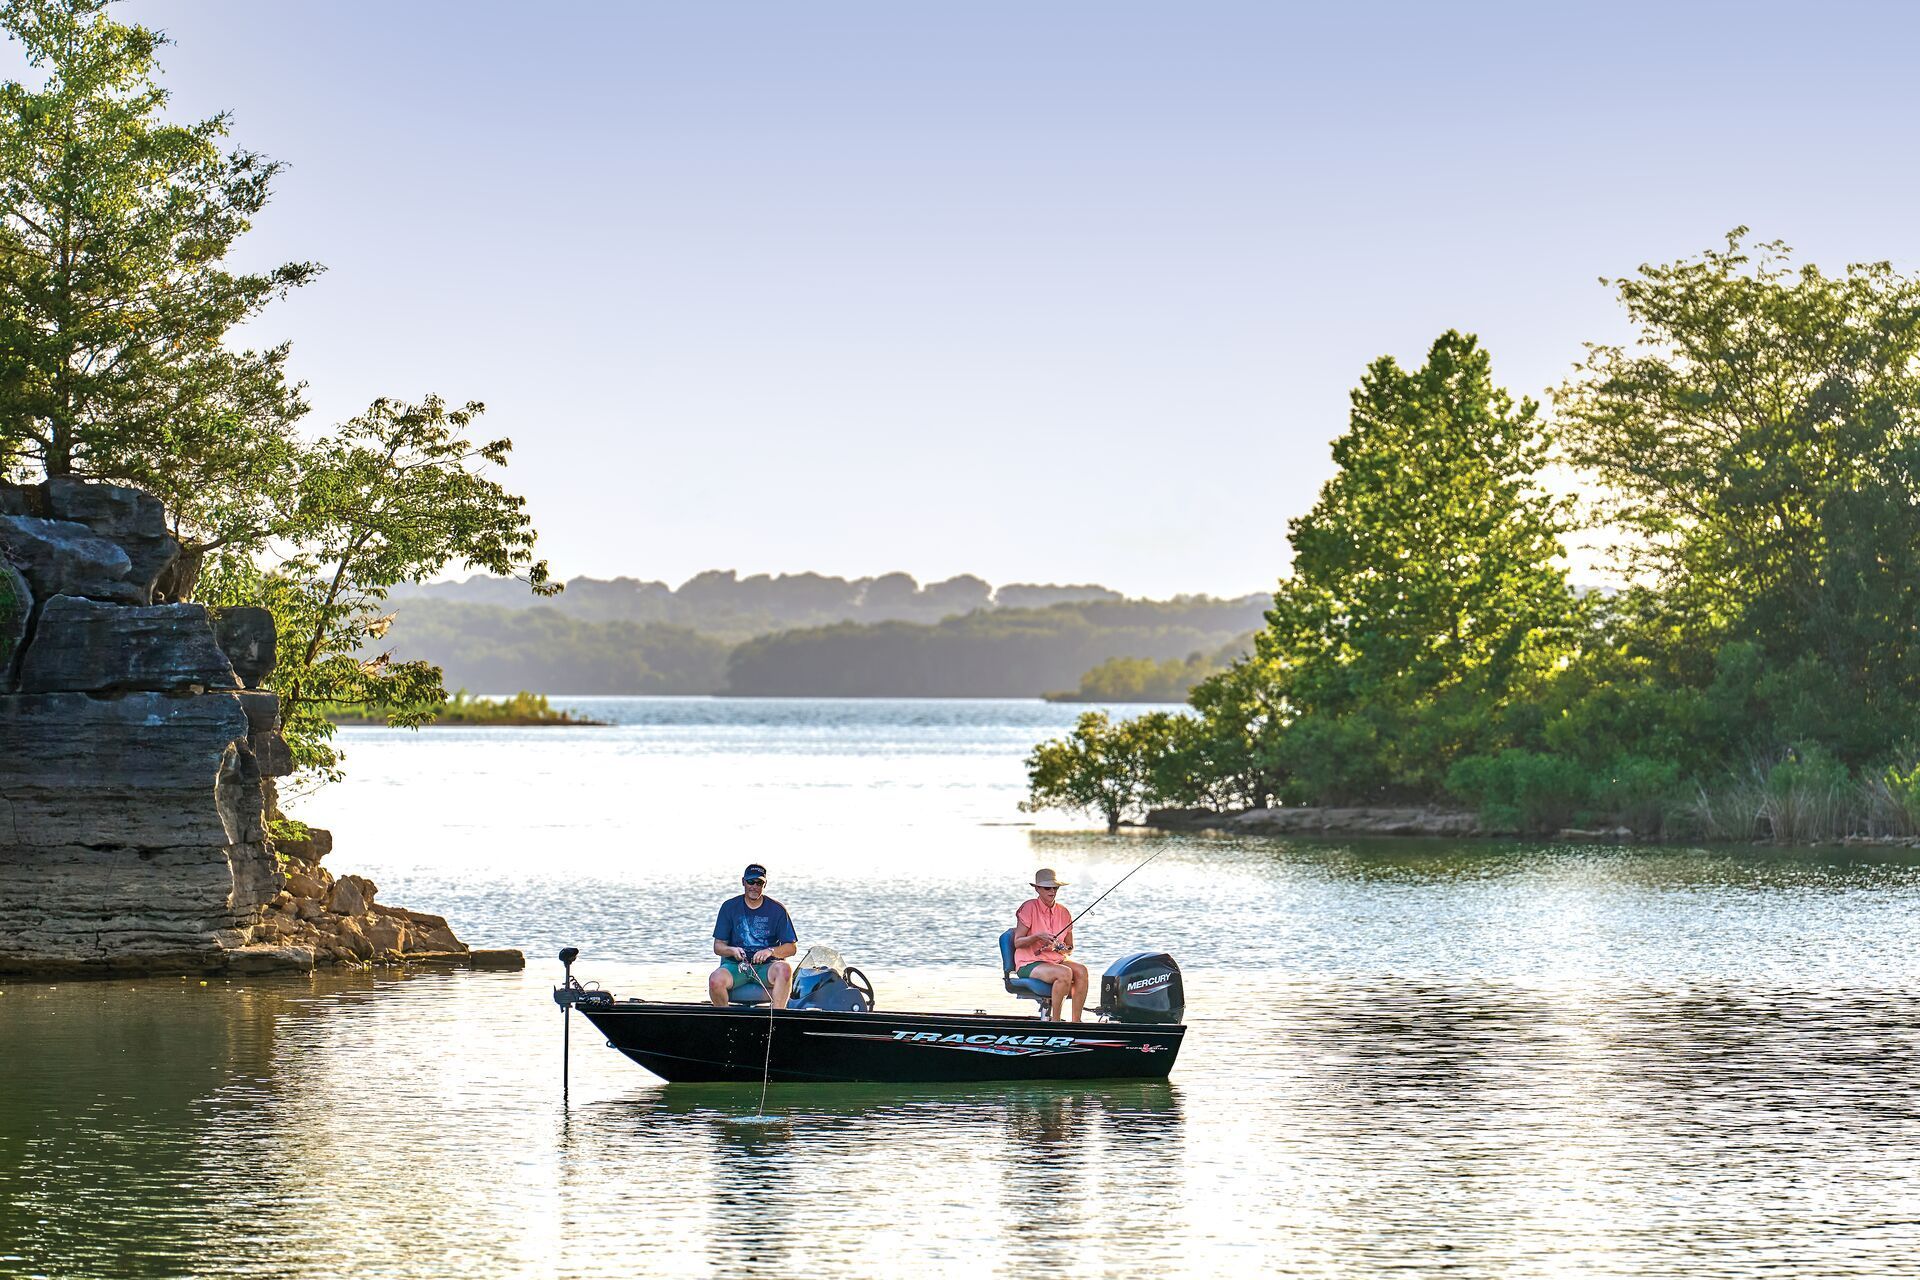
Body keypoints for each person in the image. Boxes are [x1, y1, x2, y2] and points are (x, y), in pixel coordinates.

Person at [709, 863, 799, 1008]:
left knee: (785, 969)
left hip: (767, 967)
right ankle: (726, 1021)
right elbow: (718, 946)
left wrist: (770, 951)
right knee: (715, 980)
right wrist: (732, 950)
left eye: (759, 882)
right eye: (751, 882)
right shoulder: (729, 907)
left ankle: (776, 1019)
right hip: (736, 967)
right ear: (743, 882)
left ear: (765, 884)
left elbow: (791, 948)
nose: (754, 886)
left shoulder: (778, 910)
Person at [1012, 867, 1088, 1021]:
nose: (1052, 891)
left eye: (1055, 887)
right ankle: (1056, 1022)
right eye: (1047, 887)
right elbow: (1017, 942)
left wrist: (1061, 948)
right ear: (1037, 888)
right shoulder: (1028, 907)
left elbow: (1070, 948)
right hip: (1029, 963)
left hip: (1055, 960)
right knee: (1064, 972)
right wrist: (1037, 937)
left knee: (1081, 970)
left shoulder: (1064, 912)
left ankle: (1076, 1022)